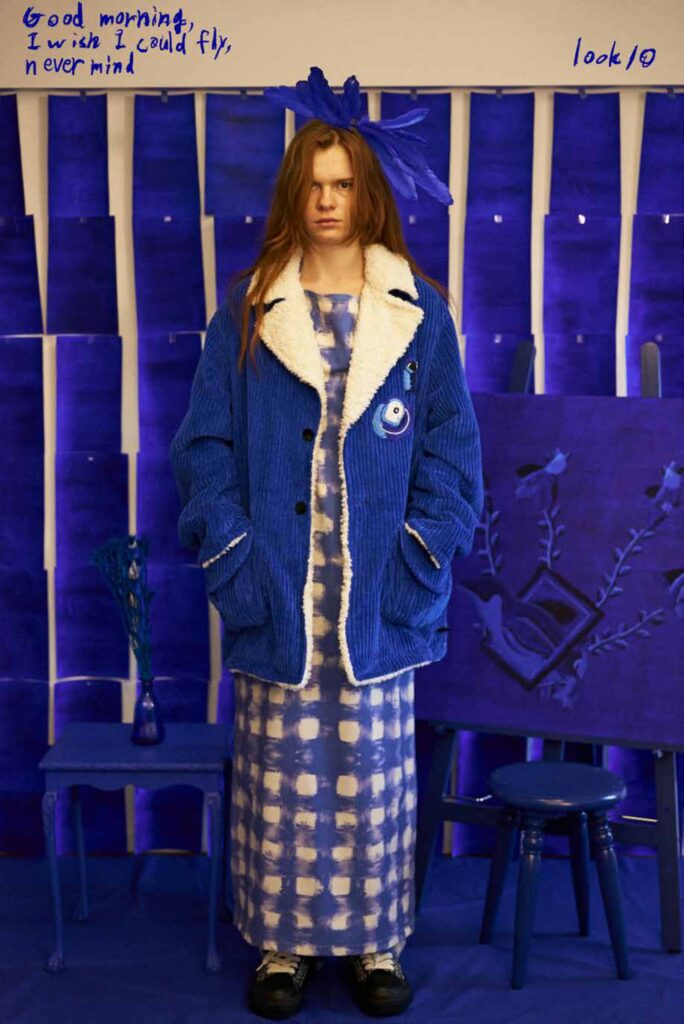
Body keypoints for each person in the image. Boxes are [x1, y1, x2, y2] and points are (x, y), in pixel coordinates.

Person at [169, 67, 484, 1020]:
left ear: (367, 191)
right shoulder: (249, 308)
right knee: (284, 781)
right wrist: (233, 552)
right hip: (280, 587)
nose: (327, 201)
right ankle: (283, 945)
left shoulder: (417, 312)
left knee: (373, 779)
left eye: (343, 184)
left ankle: (376, 942)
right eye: (313, 185)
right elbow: (205, 446)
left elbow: (452, 449)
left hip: (380, 589)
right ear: (292, 192)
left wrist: (422, 548)